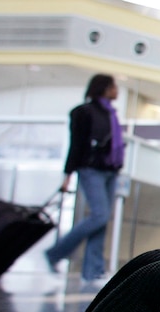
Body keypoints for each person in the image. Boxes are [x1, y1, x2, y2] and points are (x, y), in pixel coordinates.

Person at [45, 74, 124, 283]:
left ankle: (93, 272)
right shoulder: (83, 112)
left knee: (102, 219)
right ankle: (55, 253)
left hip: (110, 170)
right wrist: (67, 175)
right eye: (114, 86)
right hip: (90, 169)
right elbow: (76, 145)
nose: (117, 90)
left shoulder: (111, 114)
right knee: (99, 215)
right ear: (105, 88)